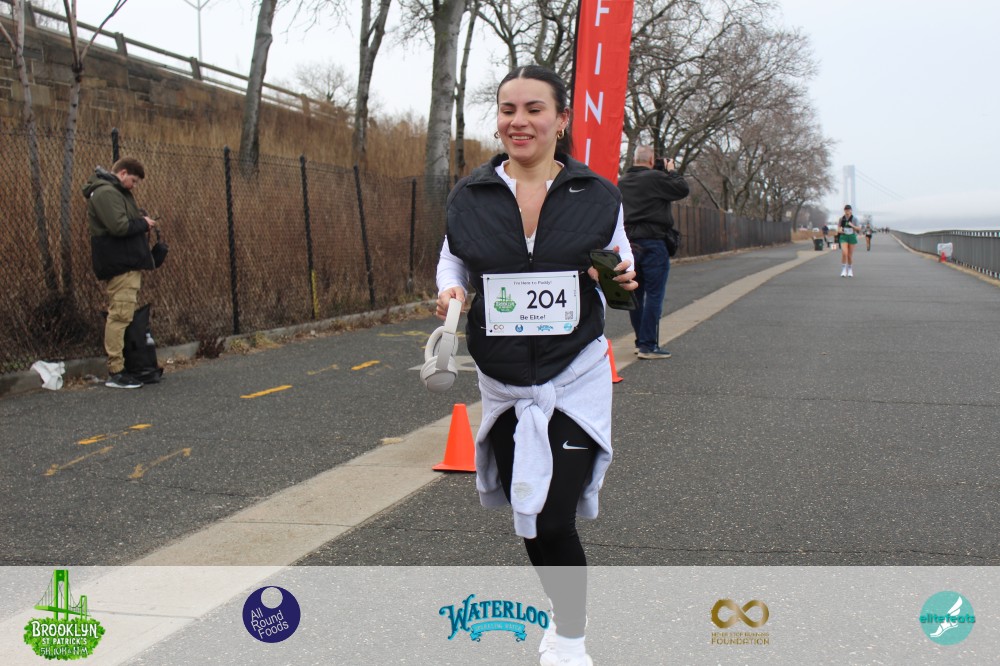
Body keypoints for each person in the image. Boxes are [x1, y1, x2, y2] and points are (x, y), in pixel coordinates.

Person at [435, 65, 636, 666]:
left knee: (552, 520)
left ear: (561, 119)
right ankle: (560, 606)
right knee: (529, 518)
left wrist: (618, 278)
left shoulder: (596, 194)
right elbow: (453, 260)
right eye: (507, 110)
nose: (518, 122)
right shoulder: (470, 195)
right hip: (502, 382)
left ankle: (571, 638)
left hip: (573, 376)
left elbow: (621, 276)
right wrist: (450, 291)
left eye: (533, 109)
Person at [83, 157, 158, 389]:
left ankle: (127, 366)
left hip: (126, 261)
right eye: (133, 181)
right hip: (120, 262)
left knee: (124, 314)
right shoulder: (106, 193)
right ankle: (116, 370)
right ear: (123, 173)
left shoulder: (115, 192)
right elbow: (119, 226)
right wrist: (143, 223)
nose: (134, 186)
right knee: (120, 315)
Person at [617, 145, 690, 359]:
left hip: (629, 244)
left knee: (635, 294)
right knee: (654, 294)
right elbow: (682, 188)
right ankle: (648, 346)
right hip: (653, 242)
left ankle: (641, 340)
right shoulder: (656, 178)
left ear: (634, 160)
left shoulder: (622, 182)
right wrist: (671, 170)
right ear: (651, 161)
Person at [837, 204, 861, 277]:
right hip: (844, 236)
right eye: (846, 210)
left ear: (851, 211)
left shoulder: (855, 219)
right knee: (844, 253)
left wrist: (852, 225)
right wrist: (840, 231)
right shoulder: (841, 219)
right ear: (844, 211)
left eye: (848, 210)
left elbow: (859, 228)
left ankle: (850, 270)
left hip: (852, 236)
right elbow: (838, 228)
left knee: (849, 255)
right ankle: (843, 270)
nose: (847, 211)